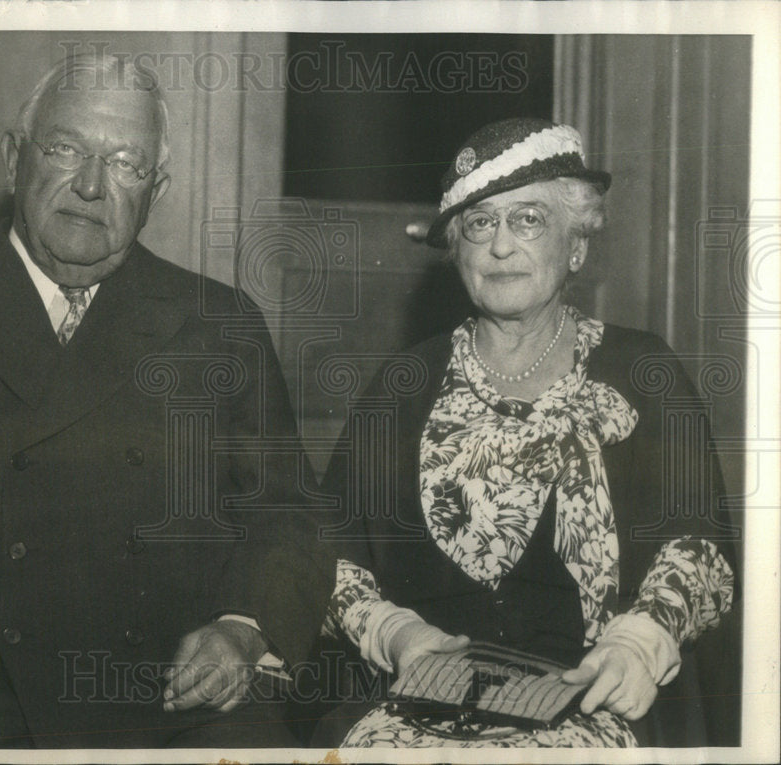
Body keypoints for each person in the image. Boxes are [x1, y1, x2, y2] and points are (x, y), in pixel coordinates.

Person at [0, 52, 332, 749]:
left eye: (127, 164)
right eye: (65, 148)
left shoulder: (220, 324)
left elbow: (286, 512)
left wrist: (241, 628)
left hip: (170, 701)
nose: (91, 185)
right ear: (13, 159)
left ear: (158, 190)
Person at [313, 117, 739, 747]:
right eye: (480, 223)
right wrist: (398, 634)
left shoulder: (642, 369)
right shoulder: (403, 382)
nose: (501, 247)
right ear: (456, 248)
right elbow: (323, 555)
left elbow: (698, 547)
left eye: (528, 220)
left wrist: (637, 643)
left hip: (596, 707)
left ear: (575, 247)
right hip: (420, 713)